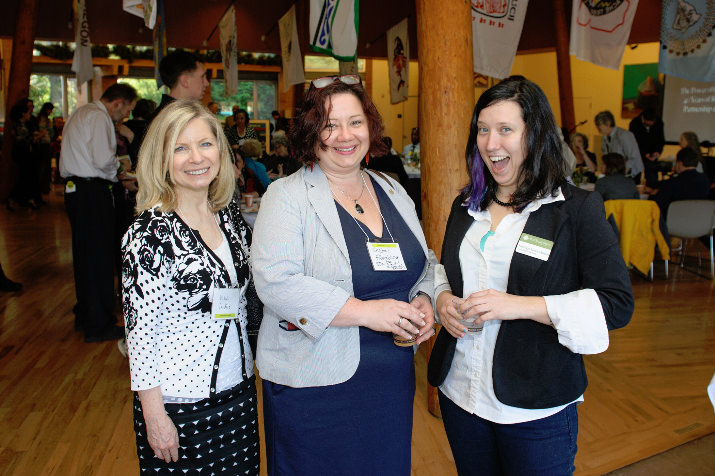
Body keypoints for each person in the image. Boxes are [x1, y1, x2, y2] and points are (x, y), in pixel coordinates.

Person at [428, 77, 633, 475]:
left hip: (534, 406)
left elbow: (617, 305)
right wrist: (440, 298)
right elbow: (445, 270)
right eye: (483, 130)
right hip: (460, 392)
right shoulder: (465, 205)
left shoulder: (576, 209)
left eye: (506, 129)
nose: (491, 144)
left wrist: (519, 306)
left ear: (535, 134)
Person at [252, 74, 436, 475]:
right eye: (329, 124)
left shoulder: (392, 189)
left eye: (355, 121)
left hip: (389, 380)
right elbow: (275, 281)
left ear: (370, 125)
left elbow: (426, 263)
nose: (343, 135)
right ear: (309, 132)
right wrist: (369, 313)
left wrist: (426, 299)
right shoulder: (287, 195)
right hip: (315, 382)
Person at [122, 100, 261, 474]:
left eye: (205, 144)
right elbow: (140, 335)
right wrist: (154, 417)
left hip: (240, 390)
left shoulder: (228, 216)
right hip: (180, 404)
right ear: (161, 157)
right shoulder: (148, 234)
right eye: (180, 147)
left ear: (221, 150)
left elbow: (244, 298)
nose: (196, 157)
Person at [59, 83, 137, 342]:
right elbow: (103, 159)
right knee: (99, 257)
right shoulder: (99, 117)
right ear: (118, 103)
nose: (124, 117)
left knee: (85, 256)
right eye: (126, 111)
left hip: (77, 190)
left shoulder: (82, 112)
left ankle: (85, 314)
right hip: (92, 192)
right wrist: (121, 171)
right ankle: (99, 323)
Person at [648, 147, 710, 219]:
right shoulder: (705, 181)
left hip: (673, 223)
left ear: (679, 163)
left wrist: (652, 195)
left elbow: (656, 206)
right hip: (699, 222)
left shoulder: (672, 183)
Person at [153, 50, 209, 118]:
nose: (207, 83)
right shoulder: (173, 118)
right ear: (185, 81)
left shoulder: (166, 112)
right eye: (202, 77)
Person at [595, 110, 644, 184]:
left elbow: (633, 157)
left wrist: (621, 174)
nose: (597, 127)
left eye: (599, 124)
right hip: (617, 174)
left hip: (630, 173)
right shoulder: (605, 138)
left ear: (608, 123)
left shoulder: (624, 135)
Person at [629, 108, 665, 187]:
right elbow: (634, 143)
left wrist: (657, 152)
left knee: (652, 178)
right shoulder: (634, 124)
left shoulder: (658, 123)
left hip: (652, 156)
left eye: (653, 122)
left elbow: (661, 140)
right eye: (649, 122)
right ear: (644, 119)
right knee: (635, 178)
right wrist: (644, 154)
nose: (651, 123)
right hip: (637, 155)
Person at [35, 102, 55, 197]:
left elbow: (51, 134)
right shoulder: (40, 120)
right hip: (41, 144)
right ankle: (41, 187)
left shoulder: (47, 120)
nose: (50, 112)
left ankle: (45, 186)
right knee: (42, 166)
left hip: (46, 144)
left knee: (46, 166)